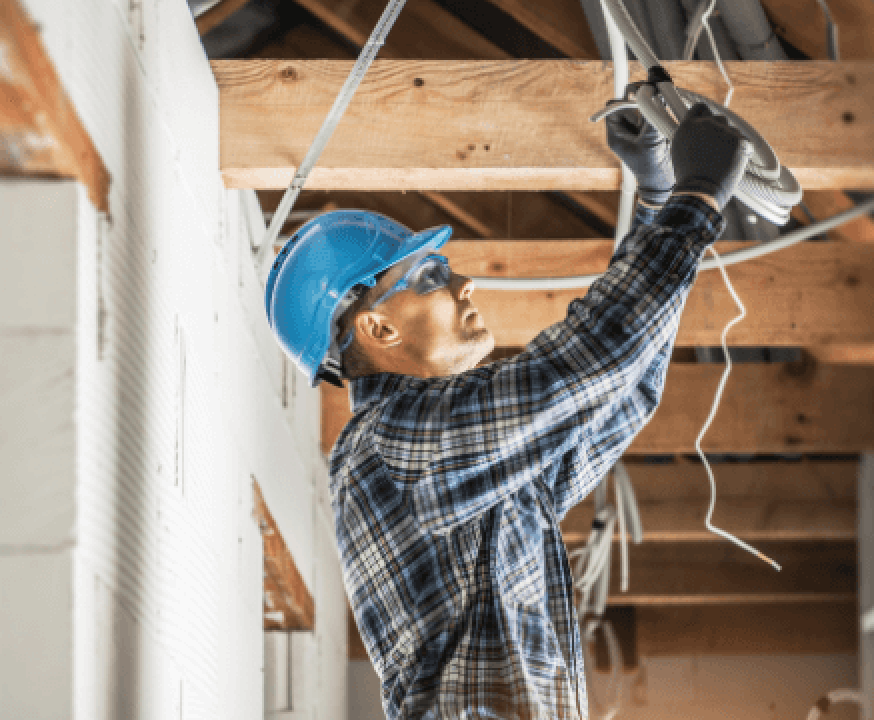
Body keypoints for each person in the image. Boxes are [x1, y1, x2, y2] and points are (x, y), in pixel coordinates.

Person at [263, 103, 749, 719]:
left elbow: (622, 387)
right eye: (431, 274)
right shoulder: (390, 446)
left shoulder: (467, 464)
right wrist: (693, 202)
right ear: (378, 326)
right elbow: (591, 363)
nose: (463, 283)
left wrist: (658, 201)